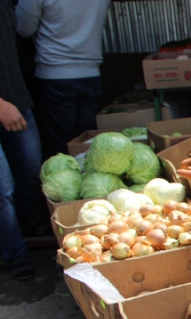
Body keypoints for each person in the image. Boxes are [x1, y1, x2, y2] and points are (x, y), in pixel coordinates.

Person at [16, 0, 112, 160]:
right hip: (91, 71)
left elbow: (23, 28)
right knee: (87, 143)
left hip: (55, 73)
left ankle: (66, 182)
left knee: (61, 146)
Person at [1, 0, 41, 281]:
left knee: (30, 168)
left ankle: (31, 222)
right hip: (5, 106)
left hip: (17, 102)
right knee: (2, 188)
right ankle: (15, 253)